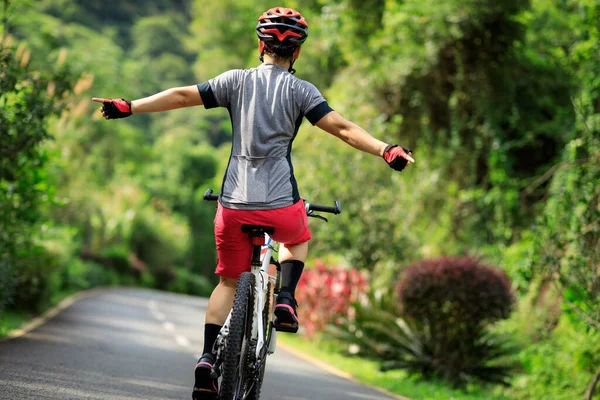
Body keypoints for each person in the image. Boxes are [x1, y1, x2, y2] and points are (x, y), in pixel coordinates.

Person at [93, 6, 414, 399]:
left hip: (233, 203)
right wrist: (386, 149)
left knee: (228, 282)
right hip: (280, 202)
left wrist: (130, 106)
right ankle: (285, 299)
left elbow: (180, 96)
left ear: (260, 45)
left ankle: (208, 357)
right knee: (297, 238)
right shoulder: (301, 91)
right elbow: (343, 129)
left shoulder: (235, 81)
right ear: (296, 53)